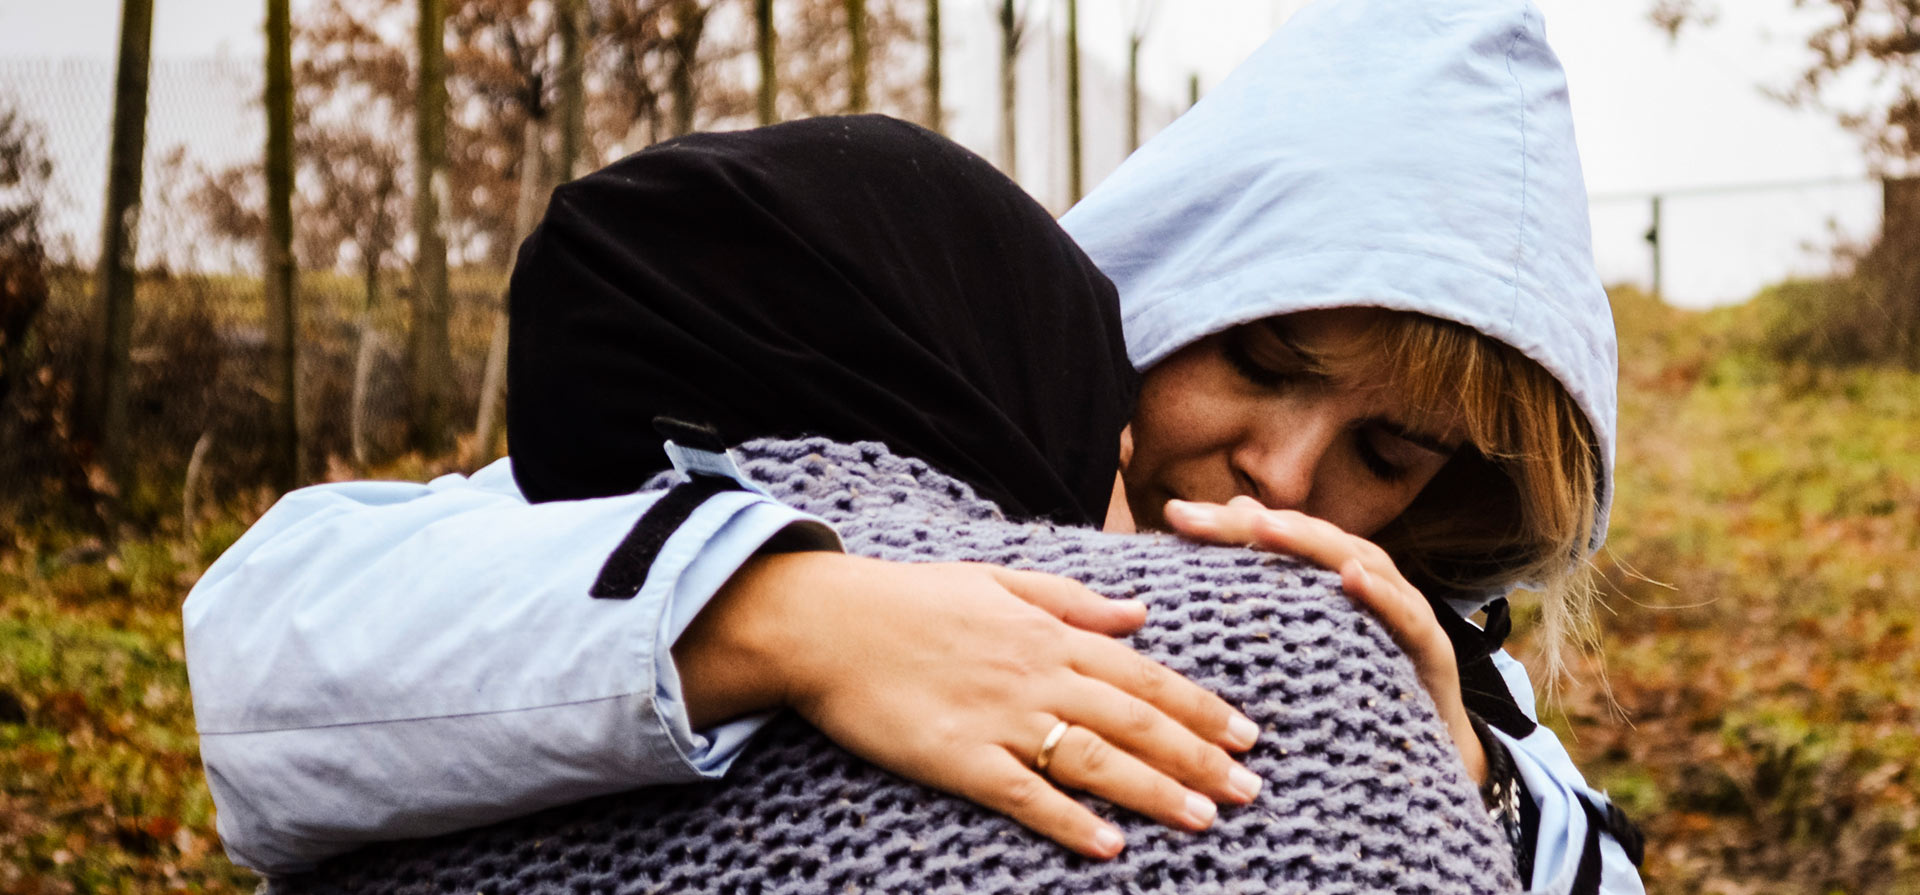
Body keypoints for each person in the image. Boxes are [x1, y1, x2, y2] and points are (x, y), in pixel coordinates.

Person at [184, 0, 1643, 891]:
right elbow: (269, 653)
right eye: (1261, 364)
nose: (1288, 472)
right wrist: (788, 618)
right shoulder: (819, 439)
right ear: (1174, 281)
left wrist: (1464, 785)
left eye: (1390, 452)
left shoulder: (1441, 667)